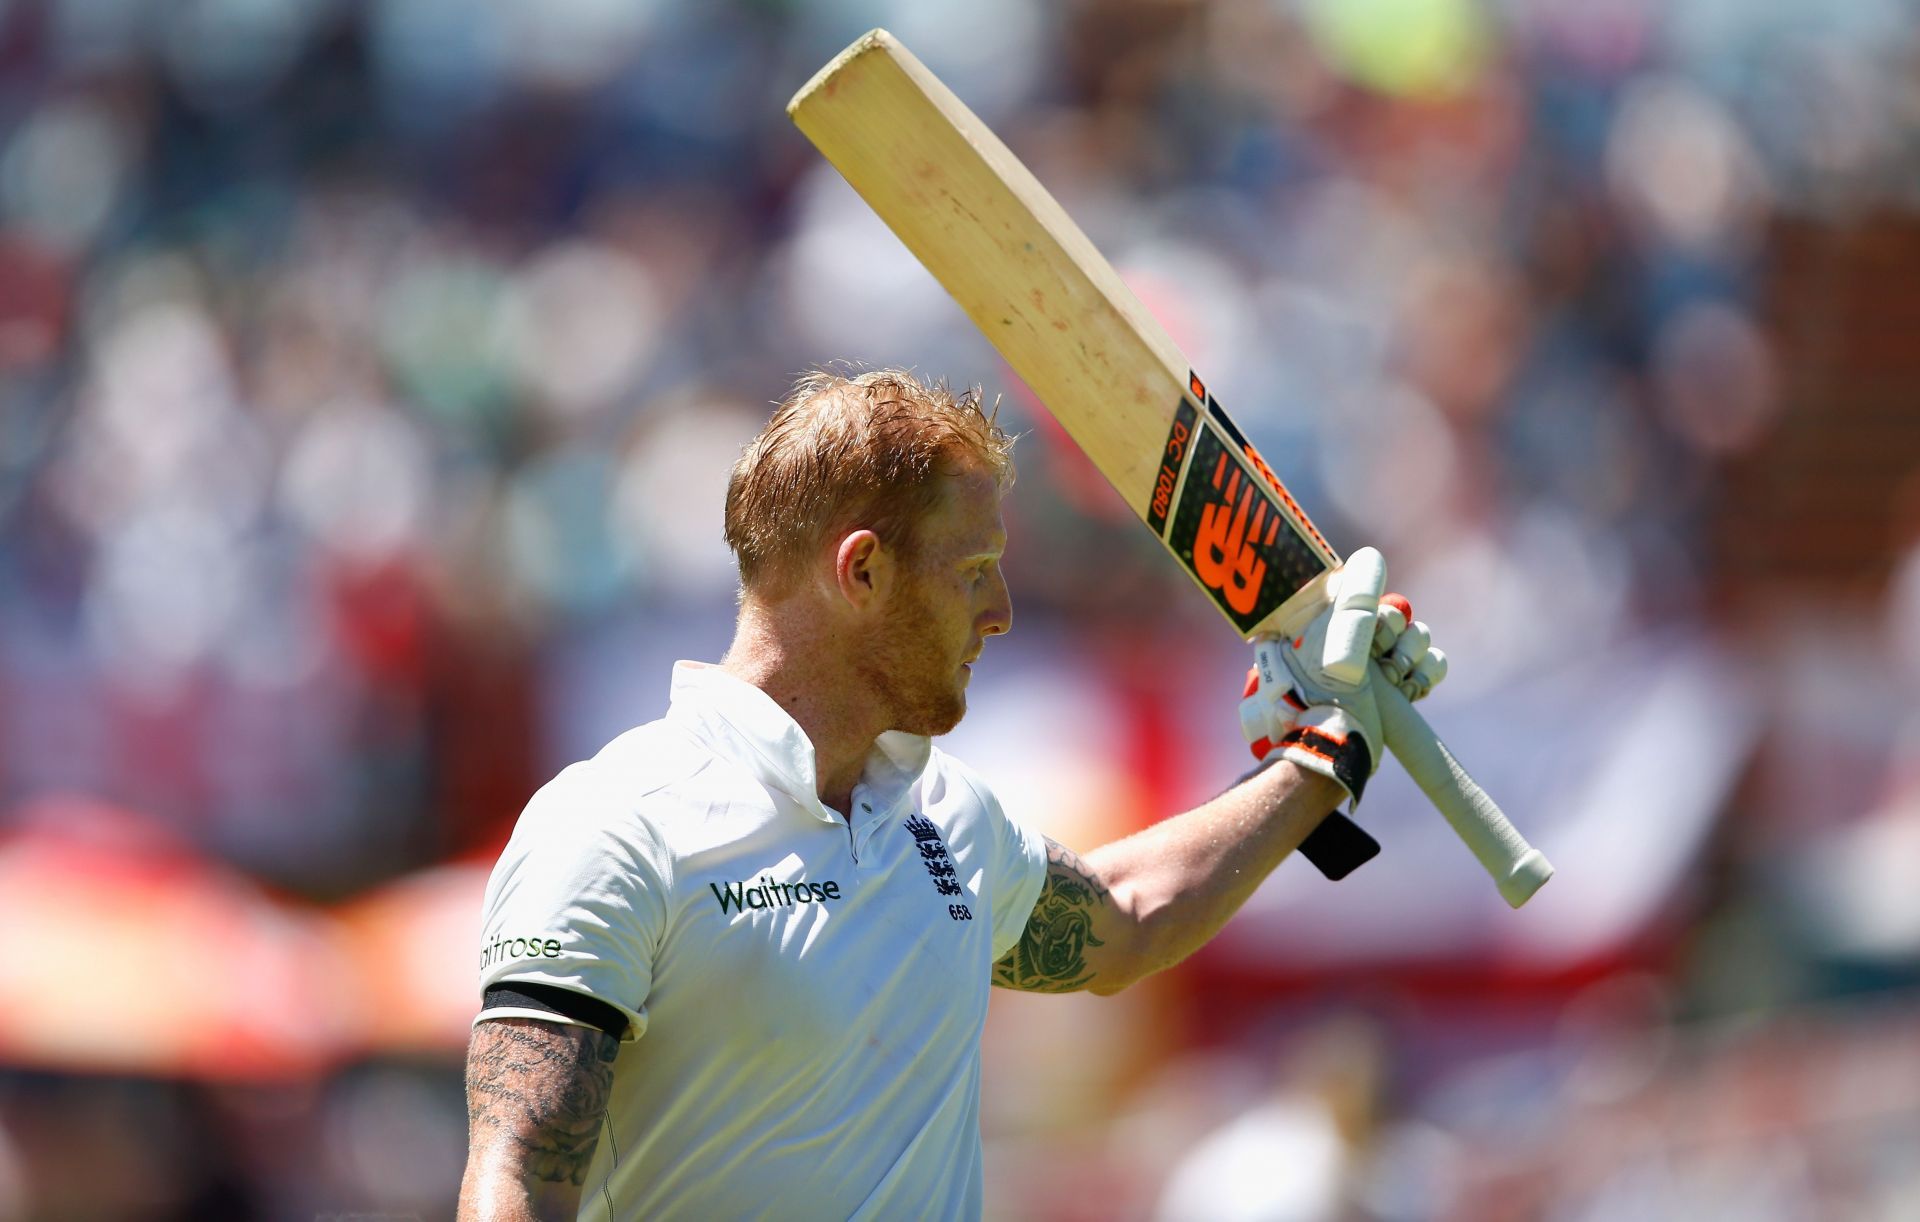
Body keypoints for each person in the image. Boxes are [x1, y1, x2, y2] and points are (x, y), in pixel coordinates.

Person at [456, 368, 1444, 1221]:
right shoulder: (617, 823)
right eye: (973, 571)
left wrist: (1319, 759)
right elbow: (516, 1182)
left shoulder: (945, 816)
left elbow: (1129, 917)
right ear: (865, 571)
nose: (1002, 612)